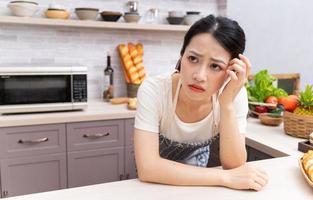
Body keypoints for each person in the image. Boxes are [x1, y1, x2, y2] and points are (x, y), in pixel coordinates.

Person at [134, 14, 268, 191]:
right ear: (182, 55)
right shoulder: (154, 90)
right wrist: (224, 177)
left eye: (215, 66)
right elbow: (148, 168)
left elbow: (234, 165)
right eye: (193, 59)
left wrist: (226, 104)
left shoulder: (234, 95)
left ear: (231, 69)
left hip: (199, 186)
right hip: (153, 186)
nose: (199, 76)